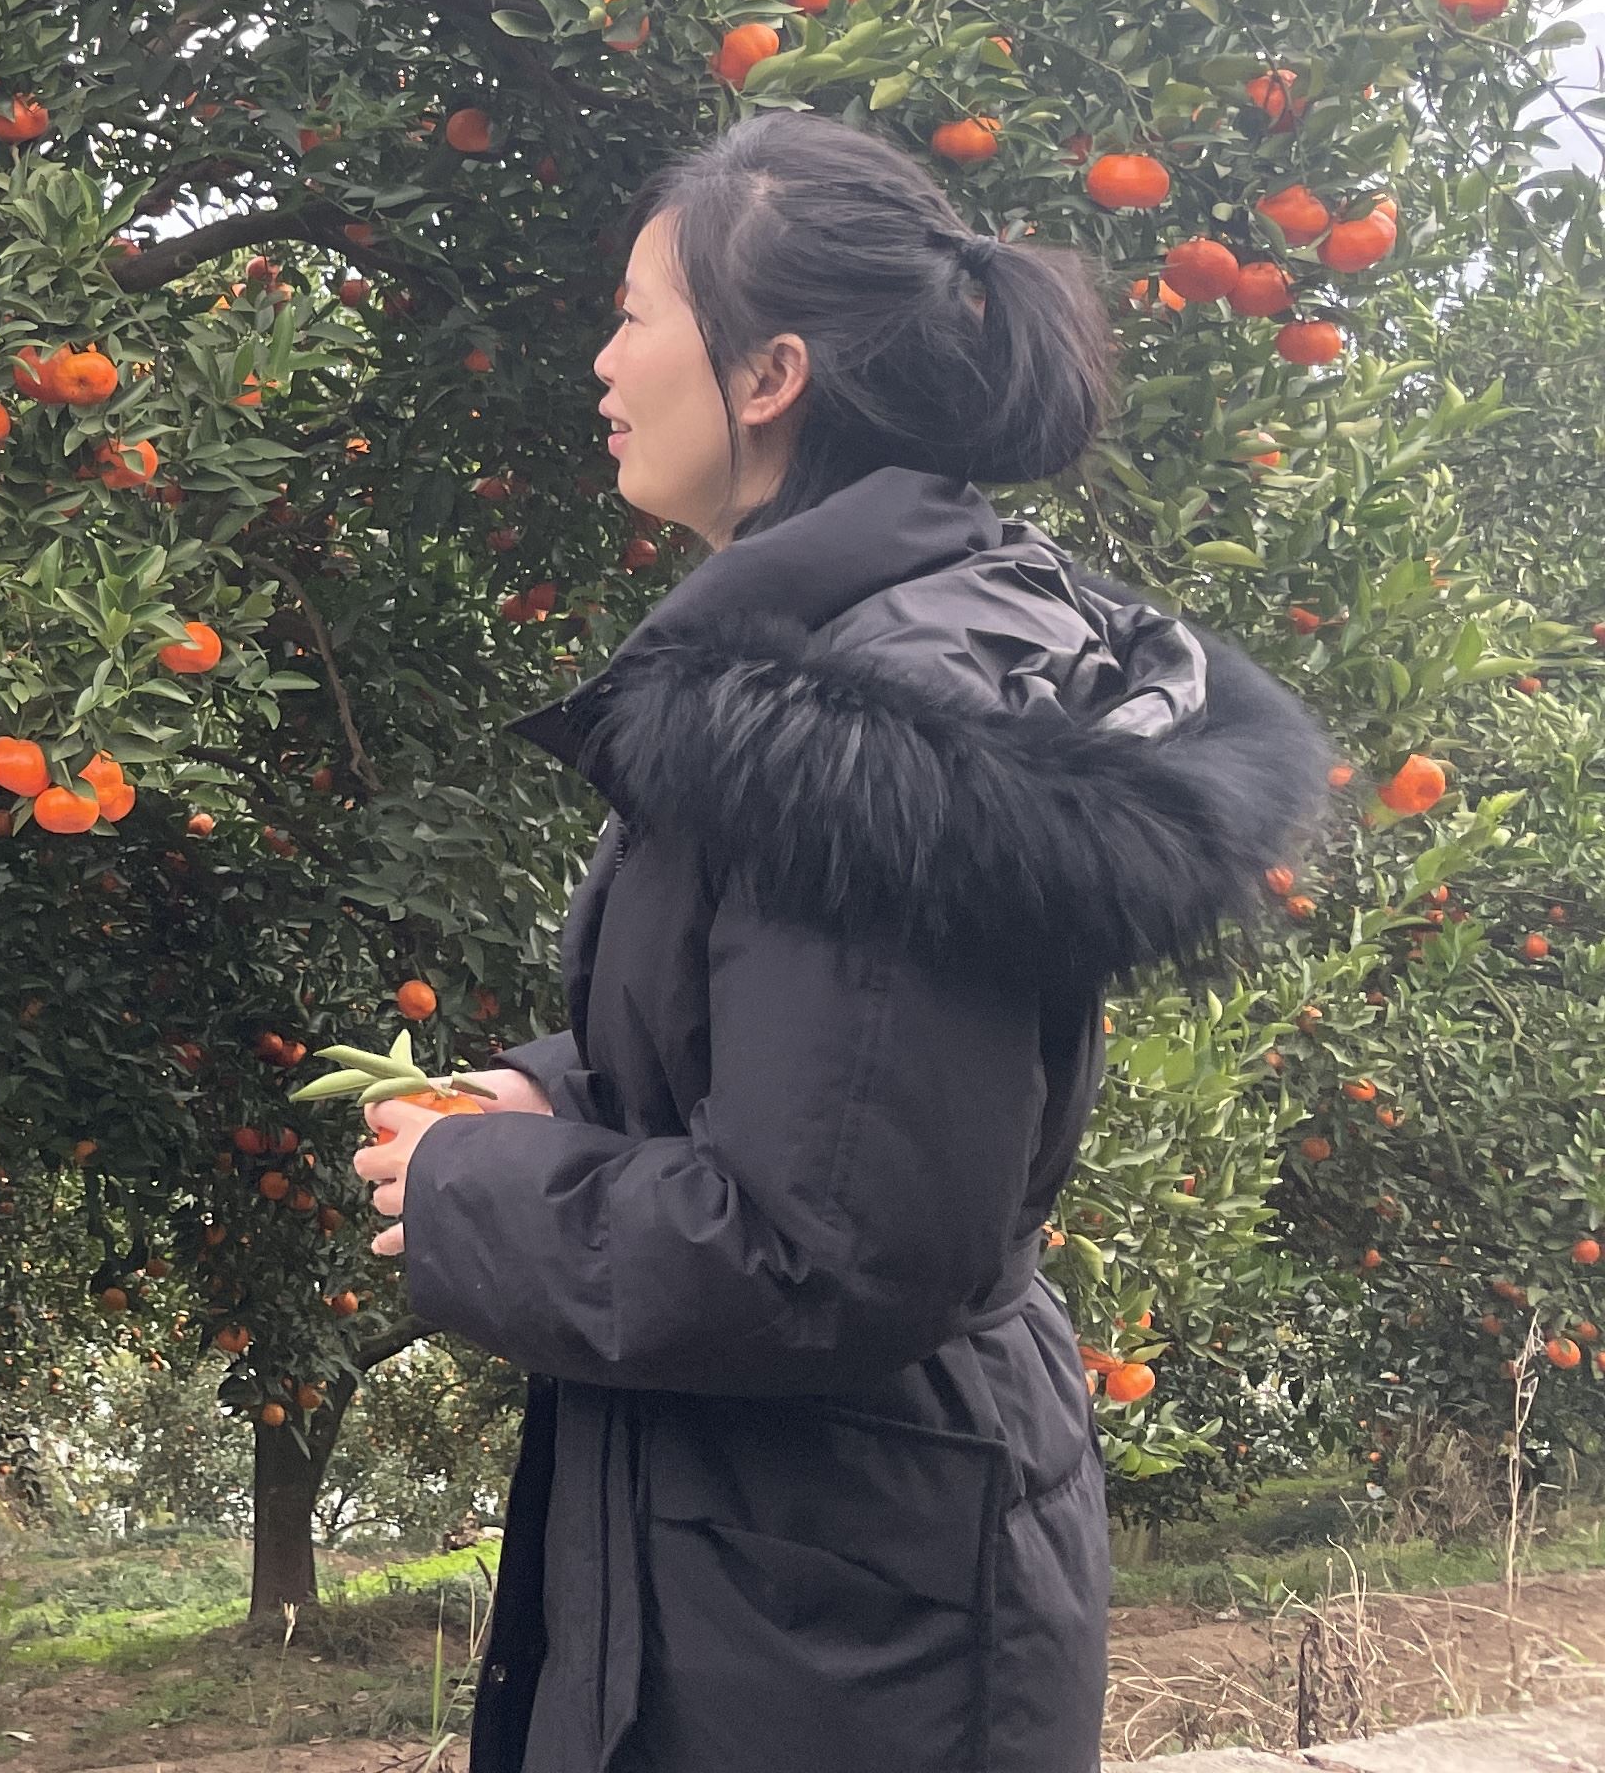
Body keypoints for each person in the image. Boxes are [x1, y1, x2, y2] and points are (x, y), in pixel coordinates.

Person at [354, 111, 1328, 1773]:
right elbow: (778, 1057)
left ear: (768, 376)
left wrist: (477, 1192)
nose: (603, 363)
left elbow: (835, 1248)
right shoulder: (828, 669)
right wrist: (544, 1097)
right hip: (797, 1559)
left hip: (836, 1621)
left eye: (634, 317)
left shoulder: (866, 723)